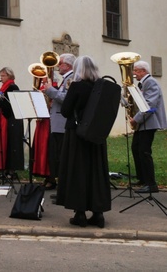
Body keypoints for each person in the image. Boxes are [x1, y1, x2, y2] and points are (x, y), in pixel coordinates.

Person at [56, 55, 111, 228]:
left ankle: (80, 213)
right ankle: (98, 213)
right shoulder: (101, 86)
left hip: (77, 135)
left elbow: (65, 111)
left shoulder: (77, 86)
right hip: (96, 136)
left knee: (77, 170)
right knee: (96, 171)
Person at [130, 60, 167, 194]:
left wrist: (136, 119)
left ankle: (151, 184)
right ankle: (142, 178)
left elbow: (150, 105)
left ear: (143, 71)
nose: (134, 74)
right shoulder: (143, 83)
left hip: (149, 122)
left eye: (136, 71)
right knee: (136, 148)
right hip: (143, 123)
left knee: (144, 151)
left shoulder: (150, 82)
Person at [42, 53, 76, 190]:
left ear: (67, 65)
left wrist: (50, 91)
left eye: (60, 63)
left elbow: (67, 98)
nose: (57, 66)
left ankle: (64, 186)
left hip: (62, 123)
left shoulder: (71, 79)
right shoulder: (65, 78)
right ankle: (58, 182)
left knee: (62, 156)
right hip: (57, 122)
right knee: (56, 155)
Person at [0, 67, 24, 176]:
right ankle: (2, 168)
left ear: (9, 76)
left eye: (3, 76)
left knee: (10, 144)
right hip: (3, 118)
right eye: (0, 76)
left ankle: (10, 170)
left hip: (10, 119)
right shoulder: (4, 87)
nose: (1, 78)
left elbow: (10, 105)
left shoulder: (13, 87)